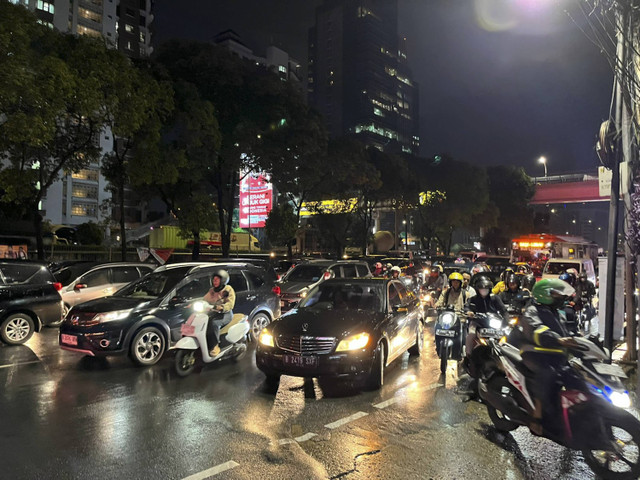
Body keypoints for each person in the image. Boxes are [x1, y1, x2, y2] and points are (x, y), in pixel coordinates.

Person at [508, 278, 579, 435]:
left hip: (554, 354)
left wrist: (579, 339)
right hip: (534, 353)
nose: (560, 298)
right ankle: (537, 417)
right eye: (556, 294)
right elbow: (536, 330)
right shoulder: (532, 311)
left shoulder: (557, 313)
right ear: (545, 294)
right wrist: (557, 339)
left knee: (573, 373)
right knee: (547, 375)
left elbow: (567, 332)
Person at [203, 269, 236, 357]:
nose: (215, 282)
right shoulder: (212, 290)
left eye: (217, 280)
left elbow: (230, 304)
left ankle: (215, 346)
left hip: (226, 314)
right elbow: (204, 299)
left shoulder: (228, 289)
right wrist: (194, 304)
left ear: (223, 280)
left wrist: (221, 307)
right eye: (214, 280)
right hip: (214, 313)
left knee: (214, 324)